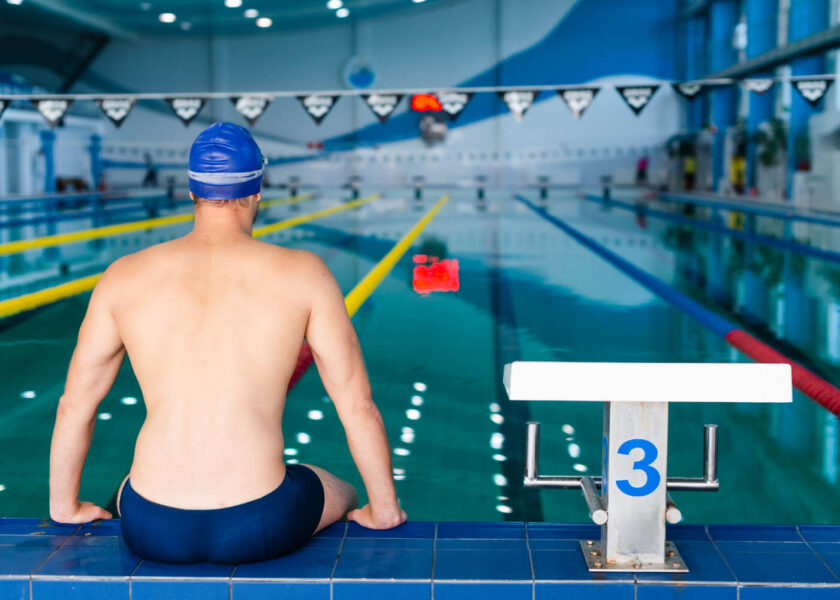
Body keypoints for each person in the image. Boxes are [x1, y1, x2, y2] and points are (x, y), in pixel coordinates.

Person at [48, 122, 406, 564]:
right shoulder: (304, 272)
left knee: (126, 486)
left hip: (149, 524)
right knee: (339, 486)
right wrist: (384, 508)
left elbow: (73, 405)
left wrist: (64, 507)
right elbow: (357, 405)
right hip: (260, 521)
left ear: (193, 192)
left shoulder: (122, 275)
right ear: (257, 191)